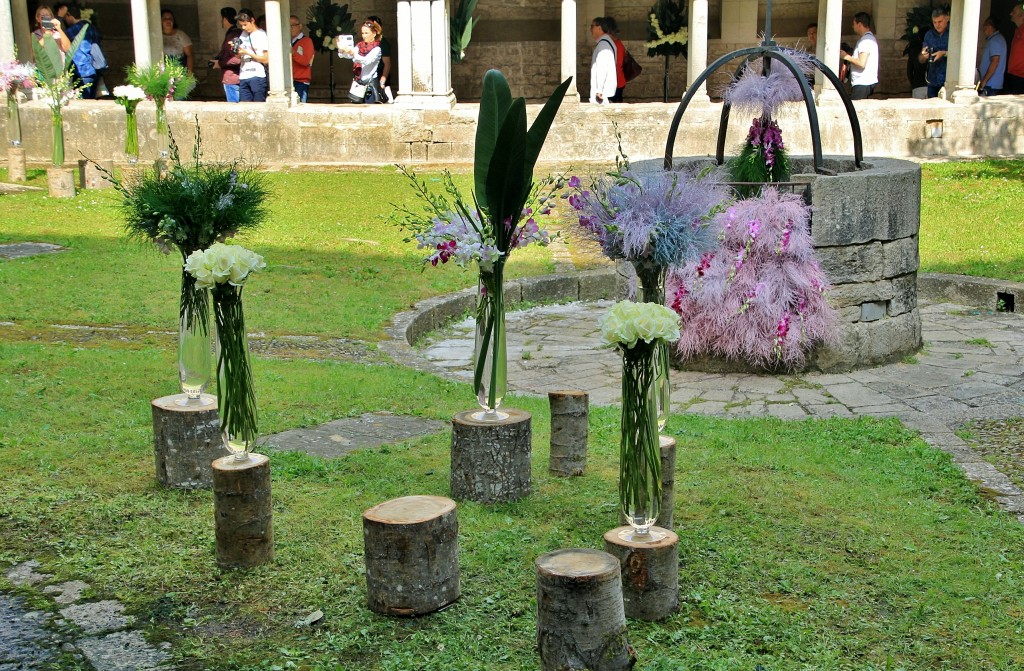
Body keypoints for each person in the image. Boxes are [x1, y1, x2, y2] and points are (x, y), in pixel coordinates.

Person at [338, 19, 384, 104]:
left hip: (370, 85)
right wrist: (342, 49)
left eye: (366, 33)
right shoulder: (359, 46)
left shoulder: (377, 49)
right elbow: (347, 55)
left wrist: (351, 52)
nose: (364, 36)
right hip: (358, 84)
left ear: (374, 33)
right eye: (363, 33)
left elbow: (365, 60)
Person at [60, 3, 98, 99]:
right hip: (93, 70)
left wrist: (59, 17)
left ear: (69, 15)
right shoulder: (91, 27)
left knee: (82, 102)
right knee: (91, 101)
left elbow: (60, 39)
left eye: (66, 18)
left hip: (81, 71)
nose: (66, 21)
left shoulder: (75, 28)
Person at [840, 12, 878, 100]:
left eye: (854, 24)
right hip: (862, 83)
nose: (852, 26)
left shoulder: (866, 40)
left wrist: (845, 56)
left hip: (863, 83)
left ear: (860, 24)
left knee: (856, 111)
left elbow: (862, 63)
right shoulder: (866, 39)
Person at [236, 8, 269, 102]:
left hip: (257, 75)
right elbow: (238, 56)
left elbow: (266, 59)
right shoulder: (243, 34)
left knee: (258, 105)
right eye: (241, 25)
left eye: (245, 25)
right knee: (245, 106)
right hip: (243, 74)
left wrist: (247, 53)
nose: (243, 28)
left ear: (252, 20)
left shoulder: (261, 35)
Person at [211, 7, 242, 103]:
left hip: (233, 78)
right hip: (233, 78)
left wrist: (220, 63)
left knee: (235, 109)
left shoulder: (233, 35)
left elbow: (236, 58)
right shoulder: (235, 33)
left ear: (224, 19)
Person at [919, 7, 949, 98]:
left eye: (940, 22)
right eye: (934, 22)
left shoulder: (953, 33)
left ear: (947, 19)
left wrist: (944, 53)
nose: (937, 25)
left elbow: (960, 55)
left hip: (948, 81)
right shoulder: (929, 35)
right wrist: (923, 55)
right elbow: (921, 59)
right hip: (932, 80)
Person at [589, 16, 616, 105]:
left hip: (601, 95)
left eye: (592, 26)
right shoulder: (607, 42)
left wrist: (599, 90)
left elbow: (602, 67)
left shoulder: (603, 44)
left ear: (599, 28)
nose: (590, 29)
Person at [978, 17, 1007, 96]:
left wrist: (984, 81)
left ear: (991, 27)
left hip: (990, 85)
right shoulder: (996, 39)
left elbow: (995, 61)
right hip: (991, 84)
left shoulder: (995, 40)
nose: (983, 29)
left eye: (985, 26)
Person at [289, 14, 314, 103]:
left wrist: (293, 53)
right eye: (288, 26)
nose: (291, 28)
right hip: (289, 81)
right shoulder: (289, 41)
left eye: (293, 25)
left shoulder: (307, 41)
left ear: (300, 26)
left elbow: (306, 61)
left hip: (301, 82)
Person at [367, 15, 392, 101]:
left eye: (369, 25)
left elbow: (387, 64)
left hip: (380, 76)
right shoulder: (364, 44)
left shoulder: (382, 43)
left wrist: (382, 82)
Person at [161, 9, 194, 73]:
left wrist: (189, 73)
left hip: (179, 71)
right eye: (165, 18)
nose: (168, 20)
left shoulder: (181, 35)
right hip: (162, 72)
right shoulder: (157, 36)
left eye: (170, 18)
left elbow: (189, 55)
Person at [605, 16, 626, 103]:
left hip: (614, 83)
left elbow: (617, 65)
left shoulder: (615, 45)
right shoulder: (617, 44)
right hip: (617, 81)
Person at [1006, 4, 1024, 95]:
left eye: (1014, 12)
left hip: (1021, 76)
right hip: (1014, 74)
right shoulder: (1017, 30)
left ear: (1021, 16)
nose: (1010, 14)